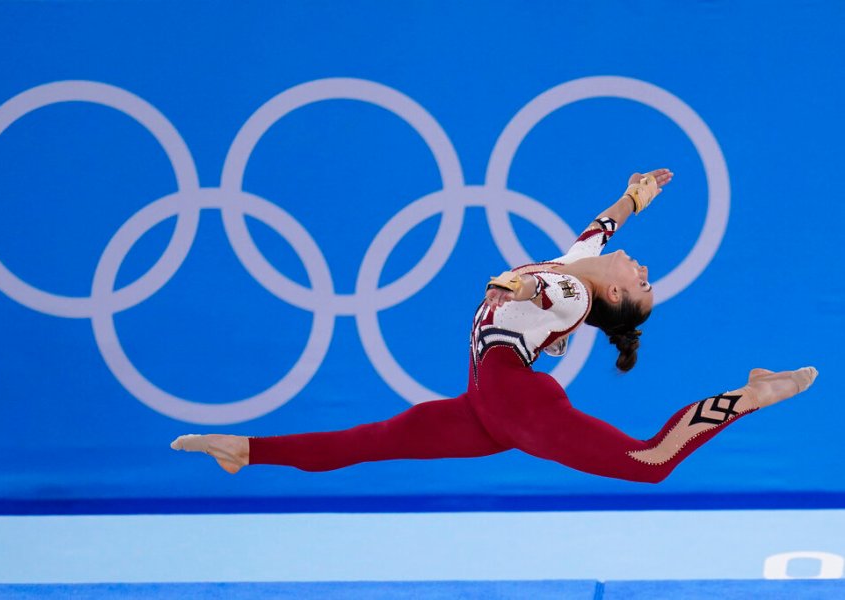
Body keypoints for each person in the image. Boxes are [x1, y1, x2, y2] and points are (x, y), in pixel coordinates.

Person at [171, 169, 818, 483]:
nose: (644, 267)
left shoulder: (565, 287)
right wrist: (636, 197)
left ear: (614, 292)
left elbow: (545, 287)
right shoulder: (579, 266)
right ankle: (245, 450)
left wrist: (515, 285)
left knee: (649, 461)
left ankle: (753, 394)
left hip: (515, 400)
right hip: (488, 404)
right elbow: (600, 231)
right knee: (367, 441)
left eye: (643, 283)